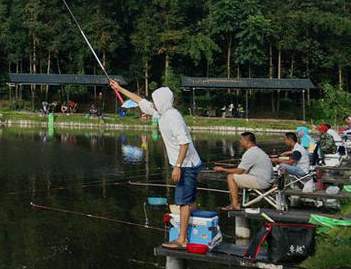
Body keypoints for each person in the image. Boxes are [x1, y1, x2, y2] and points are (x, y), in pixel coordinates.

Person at [111, 79, 202, 250]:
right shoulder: (159, 111)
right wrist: (119, 88)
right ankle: (196, 227)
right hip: (187, 163)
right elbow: (139, 100)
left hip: (186, 165)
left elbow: (184, 143)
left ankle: (182, 240)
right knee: (190, 199)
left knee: (183, 202)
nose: (152, 103)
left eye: (155, 100)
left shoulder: (173, 117)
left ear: (162, 101)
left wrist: (178, 167)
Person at [214, 132, 274, 210]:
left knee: (231, 177)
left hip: (262, 182)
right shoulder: (256, 150)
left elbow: (239, 171)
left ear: (247, 141)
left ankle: (235, 205)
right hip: (267, 180)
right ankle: (235, 203)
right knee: (238, 177)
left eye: (241, 140)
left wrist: (222, 169)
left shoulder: (250, 153)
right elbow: (242, 171)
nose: (240, 141)